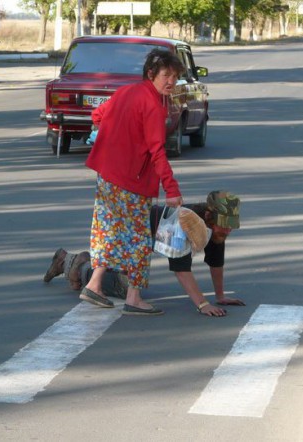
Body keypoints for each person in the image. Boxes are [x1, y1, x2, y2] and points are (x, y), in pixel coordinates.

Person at [78, 48, 185, 316]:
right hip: (131, 181)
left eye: (174, 76)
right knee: (138, 238)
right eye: (166, 75)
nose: (171, 81)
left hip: (107, 174)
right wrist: (171, 189)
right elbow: (157, 151)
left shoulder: (126, 91)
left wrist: (119, 136)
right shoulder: (152, 105)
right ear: (151, 74)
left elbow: (97, 116)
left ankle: (94, 284)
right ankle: (134, 298)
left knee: (108, 230)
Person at [43, 191, 245, 317]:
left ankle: (85, 264)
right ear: (209, 216)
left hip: (139, 242)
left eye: (230, 228)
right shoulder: (185, 224)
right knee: (120, 287)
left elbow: (216, 261)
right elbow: (181, 270)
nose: (227, 232)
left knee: (125, 281)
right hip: (130, 235)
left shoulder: (214, 229)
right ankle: (75, 264)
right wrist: (203, 304)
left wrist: (220, 296)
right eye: (224, 227)